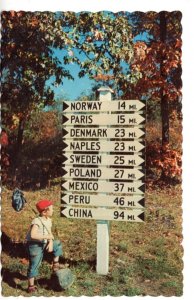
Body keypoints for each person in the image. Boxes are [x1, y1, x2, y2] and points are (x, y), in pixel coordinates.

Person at [26, 199, 63, 293]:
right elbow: (32, 235)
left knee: (57, 244)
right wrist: (47, 237)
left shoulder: (48, 220)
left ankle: (55, 265)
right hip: (35, 245)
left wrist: (50, 242)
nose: (53, 210)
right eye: (51, 209)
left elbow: (49, 232)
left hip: (45, 242)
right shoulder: (36, 221)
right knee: (34, 264)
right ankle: (31, 286)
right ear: (44, 212)